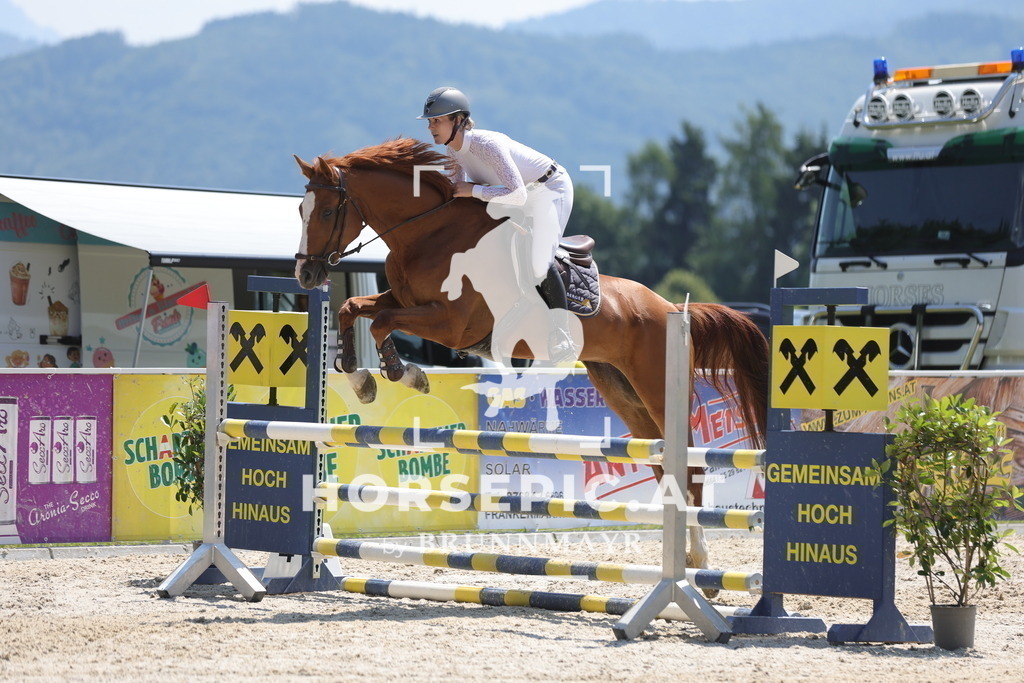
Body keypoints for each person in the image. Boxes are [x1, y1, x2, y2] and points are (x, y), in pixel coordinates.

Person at [418, 86, 579, 363]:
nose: (431, 127)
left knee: (539, 260)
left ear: (458, 120)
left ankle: (561, 333)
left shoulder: (486, 145)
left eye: (437, 120)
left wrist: (473, 192)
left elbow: (517, 194)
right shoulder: (453, 151)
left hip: (549, 189)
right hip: (514, 195)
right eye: (430, 121)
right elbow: (456, 192)